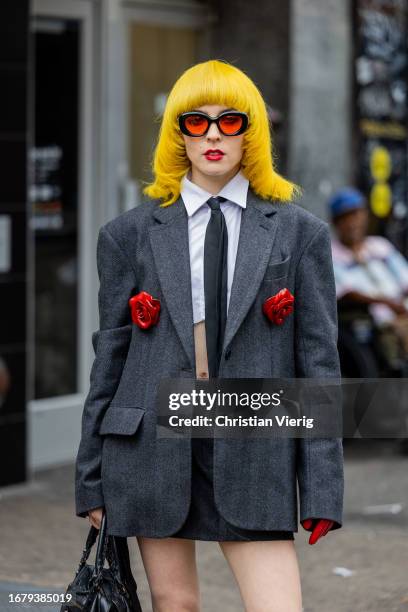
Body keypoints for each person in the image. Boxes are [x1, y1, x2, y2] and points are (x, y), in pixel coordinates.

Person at [75, 60, 344, 612]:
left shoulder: (301, 234)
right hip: (150, 448)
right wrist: (90, 477)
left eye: (231, 121)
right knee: (176, 605)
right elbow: (111, 359)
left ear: (253, 132)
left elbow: (319, 365)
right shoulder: (128, 235)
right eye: (196, 122)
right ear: (179, 133)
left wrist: (322, 488)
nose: (215, 134)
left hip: (255, 449)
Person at [330, 187, 408, 367]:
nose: (353, 223)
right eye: (346, 217)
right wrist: (386, 302)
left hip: (401, 309)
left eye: (357, 215)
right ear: (336, 222)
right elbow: (346, 292)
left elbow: (404, 277)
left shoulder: (379, 246)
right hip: (374, 320)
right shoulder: (332, 254)